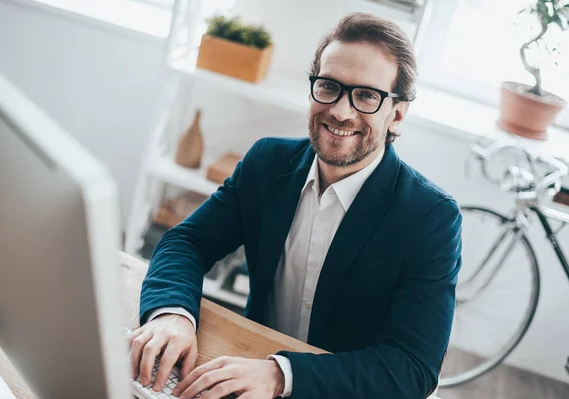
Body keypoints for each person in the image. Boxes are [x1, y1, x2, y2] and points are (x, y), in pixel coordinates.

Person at [129, 12, 462, 399]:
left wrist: (281, 375)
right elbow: (188, 241)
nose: (340, 110)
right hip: (248, 362)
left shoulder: (431, 217)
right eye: (329, 86)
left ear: (397, 115)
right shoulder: (266, 162)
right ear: (312, 91)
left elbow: (412, 369)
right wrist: (172, 313)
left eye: (367, 95)